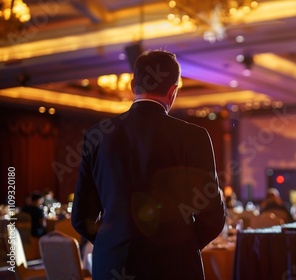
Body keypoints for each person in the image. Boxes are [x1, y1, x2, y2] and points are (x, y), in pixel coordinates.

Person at [71, 50, 226, 279]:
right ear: (173, 91)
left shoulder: (97, 136)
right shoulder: (194, 136)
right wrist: (180, 244)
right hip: (174, 266)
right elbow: (212, 215)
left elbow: (81, 217)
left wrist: (112, 243)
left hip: (112, 265)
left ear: (133, 85)